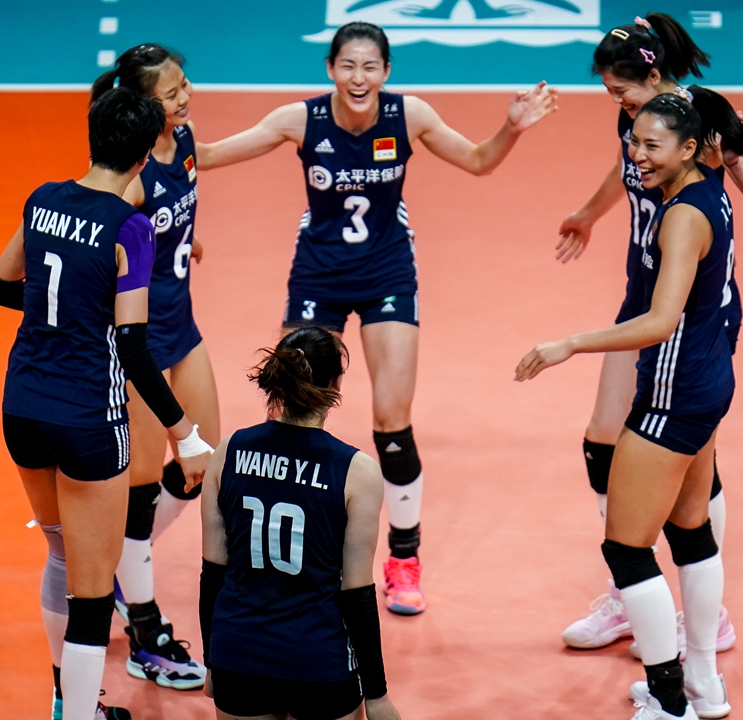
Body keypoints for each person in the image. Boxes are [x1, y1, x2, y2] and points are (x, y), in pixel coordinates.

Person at [192, 21, 557, 614]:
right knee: (290, 404)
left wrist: (510, 129)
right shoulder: (299, 120)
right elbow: (206, 156)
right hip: (318, 275)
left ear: (386, 72)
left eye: (370, 67)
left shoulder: (407, 115)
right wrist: (164, 126)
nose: (359, 78)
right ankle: (292, 545)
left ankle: (404, 558)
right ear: (330, 70)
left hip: (388, 272)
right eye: (347, 66)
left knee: (391, 416)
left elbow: (480, 161)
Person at [517, 90, 743, 719]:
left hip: (672, 394)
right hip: (710, 383)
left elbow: (658, 321)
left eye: (652, 146)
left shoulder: (682, 215)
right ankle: (704, 685)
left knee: (627, 550)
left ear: (689, 147)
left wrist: (567, 344)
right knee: (692, 535)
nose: (637, 155)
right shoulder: (712, 185)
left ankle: (668, 701)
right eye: (634, 142)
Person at [553, 13, 743, 657]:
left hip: (691, 314)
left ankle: (706, 616)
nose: (618, 105)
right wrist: (588, 213)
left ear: (652, 77)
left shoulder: (700, 130)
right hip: (644, 297)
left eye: (621, 91)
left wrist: (731, 161)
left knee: (690, 460)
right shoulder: (638, 128)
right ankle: (632, 596)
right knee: (602, 443)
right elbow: (625, 171)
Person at [0, 86, 213, 720]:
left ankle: (67, 704)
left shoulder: (44, 200)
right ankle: (80, 717)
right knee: (93, 590)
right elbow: (136, 349)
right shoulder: (131, 228)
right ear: (145, 155)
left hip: (22, 405)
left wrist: (63, 316)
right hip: (88, 417)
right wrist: (183, 433)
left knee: (60, 554)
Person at [88, 43, 219, 692]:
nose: (185, 97)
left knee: (202, 461)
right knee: (141, 488)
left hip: (183, 328)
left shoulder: (186, 140)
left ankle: (119, 568)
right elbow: (110, 241)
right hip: (136, 342)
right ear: (143, 106)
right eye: (171, 93)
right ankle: (144, 632)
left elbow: (184, 195)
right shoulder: (132, 180)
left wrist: (184, 237)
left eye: (185, 84)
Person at [197, 327, 403, 720]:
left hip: (238, 655)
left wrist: (212, 661)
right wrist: (375, 694)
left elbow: (213, 574)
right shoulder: (356, 471)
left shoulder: (229, 452)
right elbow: (356, 594)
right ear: (334, 385)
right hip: (318, 662)